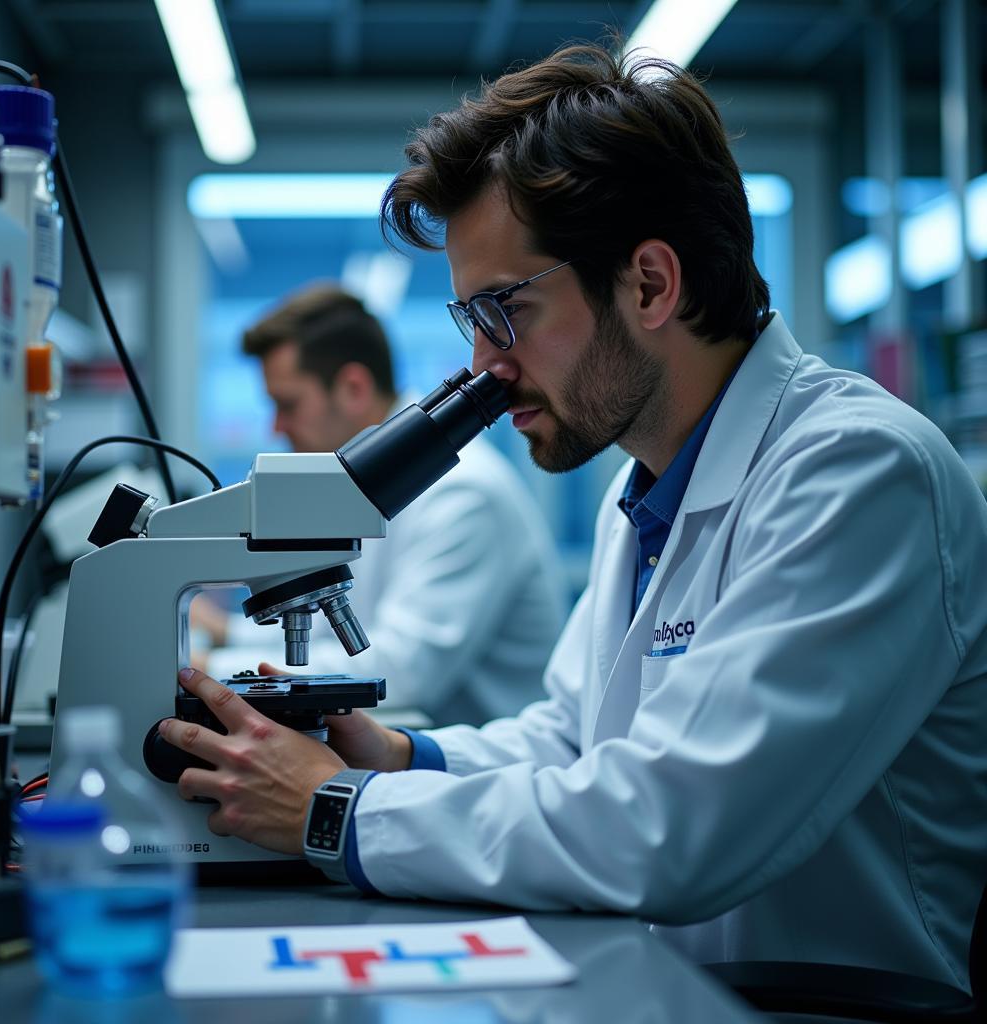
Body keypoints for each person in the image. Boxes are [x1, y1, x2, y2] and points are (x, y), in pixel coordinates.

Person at [160, 44, 987, 988]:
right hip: (666, 981)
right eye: (470, 321)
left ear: (649, 283)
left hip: (828, 1004)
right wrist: (399, 756)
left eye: (504, 312)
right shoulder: (641, 487)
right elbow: (571, 740)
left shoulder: (860, 472)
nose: (481, 366)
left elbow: (673, 831)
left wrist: (338, 810)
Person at [194, 285, 566, 726]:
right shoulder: (359, 489)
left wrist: (205, 671)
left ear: (353, 387)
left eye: (287, 404)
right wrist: (224, 637)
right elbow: (357, 640)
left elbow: (400, 670)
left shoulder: (464, 494)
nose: (277, 427)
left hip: (480, 774)